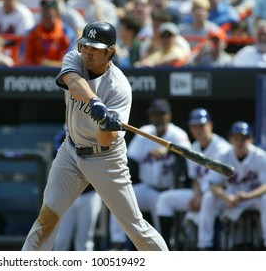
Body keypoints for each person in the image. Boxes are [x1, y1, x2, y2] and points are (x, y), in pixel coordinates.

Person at [21, 21, 169, 251]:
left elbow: (106, 140)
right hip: (70, 151)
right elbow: (73, 82)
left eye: (95, 48)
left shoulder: (119, 88)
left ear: (110, 52)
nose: (88, 52)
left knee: (135, 227)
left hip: (106, 158)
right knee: (46, 218)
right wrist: (95, 102)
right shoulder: (74, 58)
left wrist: (105, 123)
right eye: (85, 46)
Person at [109, 98, 191, 249]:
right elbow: (131, 161)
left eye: (160, 114)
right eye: (154, 114)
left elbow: (186, 153)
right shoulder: (145, 132)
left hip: (167, 192)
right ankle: (118, 242)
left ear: (169, 116)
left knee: (161, 237)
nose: (157, 118)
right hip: (148, 189)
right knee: (118, 198)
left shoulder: (177, 134)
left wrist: (168, 150)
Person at [155, 108, 231, 249]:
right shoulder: (193, 148)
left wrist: (200, 196)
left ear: (210, 125)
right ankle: (164, 248)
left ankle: (205, 246)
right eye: (194, 126)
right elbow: (196, 179)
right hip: (201, 194)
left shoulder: (223, 148)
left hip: (220, 197)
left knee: (208, 199)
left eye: (201, 125)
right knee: (164, 199)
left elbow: (225, 182)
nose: (198, 130)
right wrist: (196, 195)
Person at [197, 121, 266, 250]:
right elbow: (212, 184)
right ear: (231, 139)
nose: (240, 142)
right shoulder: (223, 155)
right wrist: (225, 197)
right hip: (230, 198)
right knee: (208, 198)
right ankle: (204, 245)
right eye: (236, 138)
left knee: (265, 199)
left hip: (252, 198)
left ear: (250, 139)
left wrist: (248, 196)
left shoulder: (260, 156)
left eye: (244, 138)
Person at [52, 128, 103, 251]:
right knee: (61, 239)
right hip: (67, 194)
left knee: (84, 240)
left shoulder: (96, 134)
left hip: (89, 194)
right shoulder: (63, 134)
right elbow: (58, 151)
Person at [22, 0, 76, 67]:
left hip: (59, 74)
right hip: (35, 74)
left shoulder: (67, 33)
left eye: (48, 8)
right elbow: (25, 60)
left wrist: (49, 64)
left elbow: (70, 63)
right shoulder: (32, 32)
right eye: (43, 8)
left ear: (56, 11)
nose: (45, 11)